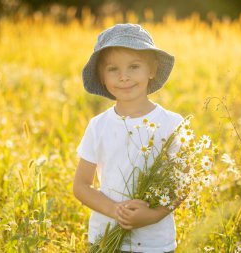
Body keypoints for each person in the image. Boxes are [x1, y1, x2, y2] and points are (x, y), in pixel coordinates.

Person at [73, 23, 182, 253]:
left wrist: (152, 216)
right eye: (113, 69)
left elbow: (181, 184)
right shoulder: (98, 126)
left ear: (151, 70)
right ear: (102, 76)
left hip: (154, 243)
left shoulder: (171, 124)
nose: (124, 77)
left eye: (134, 66)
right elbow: (81, 186)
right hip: (104, 239)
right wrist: (115, 210)